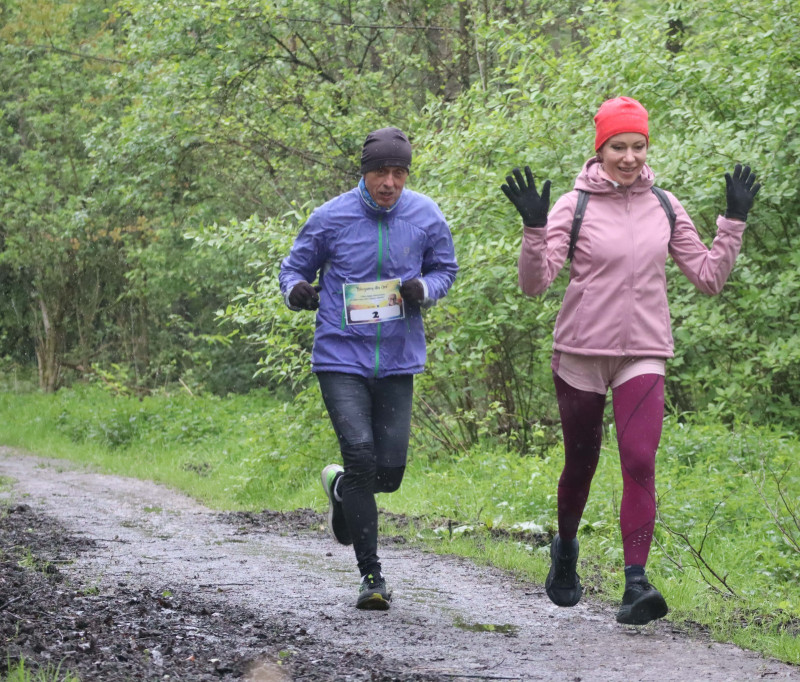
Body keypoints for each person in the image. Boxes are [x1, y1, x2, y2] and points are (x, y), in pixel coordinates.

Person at [501, 96, 759, 625]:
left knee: (640, 462)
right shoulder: (572, 206)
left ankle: (635, 584)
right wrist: (532, 230)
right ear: (599, 149)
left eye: (638, 146)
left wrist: (733, 221)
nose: (629, 156)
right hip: (580, 355)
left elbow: (708, 278)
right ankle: (566, 551)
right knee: (582, 463)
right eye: (618, 146)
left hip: (644, 352)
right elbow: (534, 285)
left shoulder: (664, 204)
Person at [279, 126, 458, 611]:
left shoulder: (425, 215)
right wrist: (297, 291)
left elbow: (447, 269)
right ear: (365, 172)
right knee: (360, 455)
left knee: (389, 473)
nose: (389, 182)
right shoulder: (330, 217)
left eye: (399, 172)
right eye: (381, 171)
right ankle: (371, 576)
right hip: (340, 355)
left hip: (398, 360)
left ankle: (341, 488)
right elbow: (292, 269)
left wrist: (426, 289)